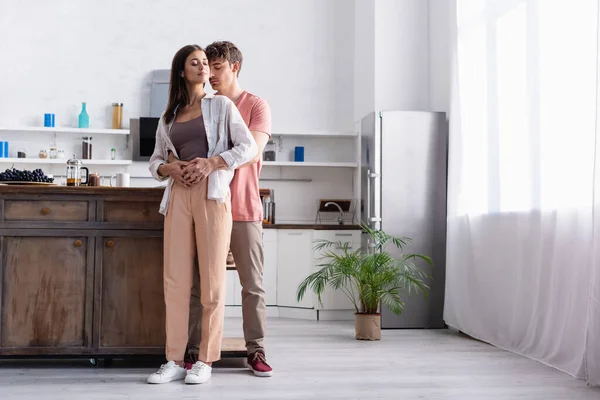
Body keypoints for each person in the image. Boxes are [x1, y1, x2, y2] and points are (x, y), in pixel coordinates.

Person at [147, 44, 257, 385]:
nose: (202, 67)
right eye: (194, 63)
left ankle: (206, 360)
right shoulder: (169, 116)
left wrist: (212, 163)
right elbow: (154, 162)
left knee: (212, 281)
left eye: (205, 63)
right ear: (181, 70)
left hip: (212, 197)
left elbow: (248, 147)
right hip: (178, 197)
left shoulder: (221, 106)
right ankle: (174, 359)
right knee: (175, 282)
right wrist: (170, 168)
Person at [170, 40, 273, 377]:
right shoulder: (204, 106)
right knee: (201, 285)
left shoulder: (253, 105)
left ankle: (255, 351)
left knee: (251, 284)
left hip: (242, 206)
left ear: (234, 67)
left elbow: (252, 151)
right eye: (205, 67)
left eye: (217, 67)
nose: (210, 74)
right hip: (206, 205)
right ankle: (197, 353)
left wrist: (212, 161)